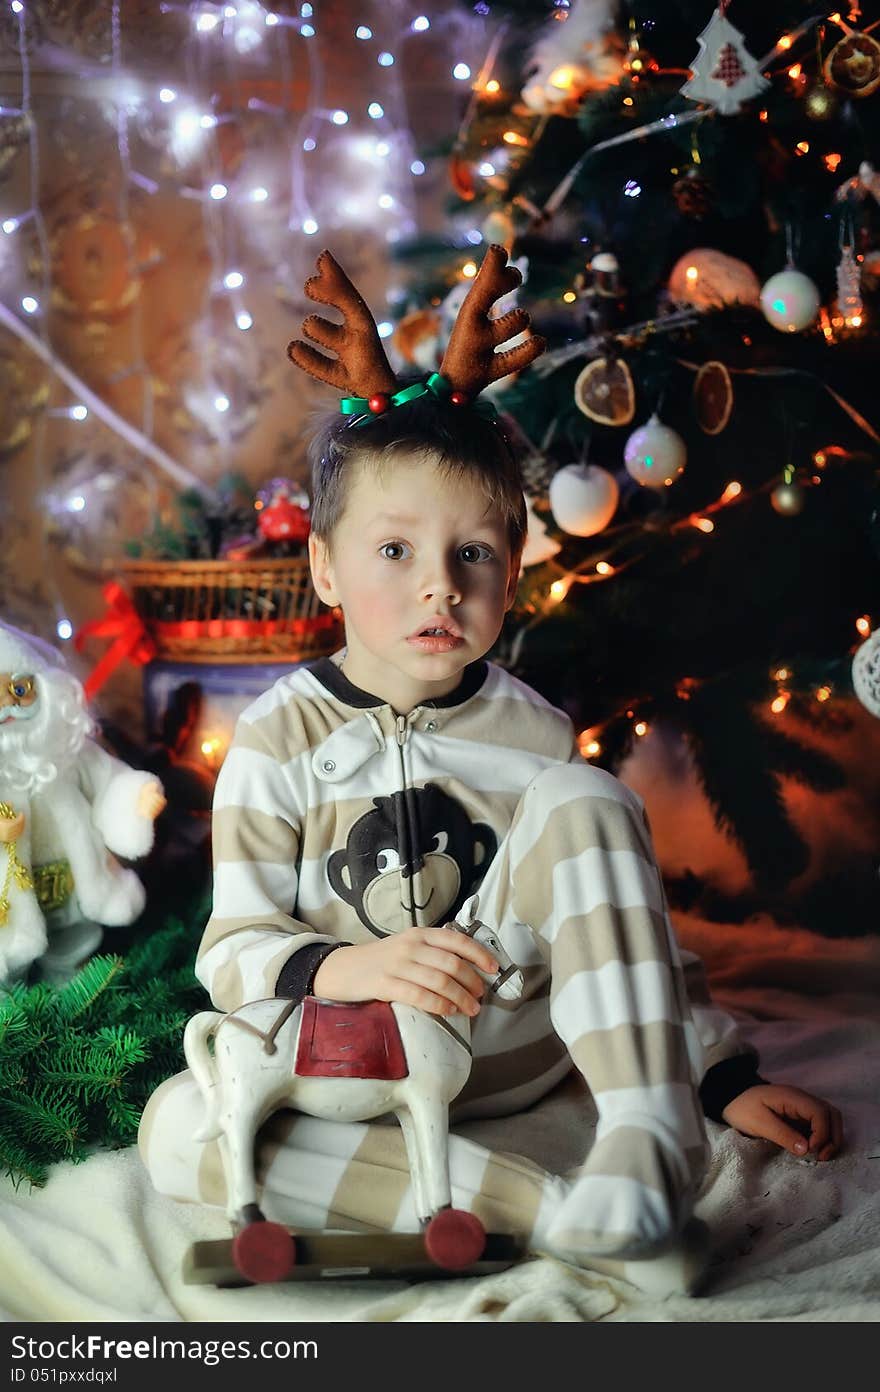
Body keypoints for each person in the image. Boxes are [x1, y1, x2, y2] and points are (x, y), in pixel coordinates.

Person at [139, 247, 843, 1295]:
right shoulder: (278, 740)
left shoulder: (533, 734)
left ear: (513, 573)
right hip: (360, 1063)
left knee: (588, 799)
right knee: (180, 1129)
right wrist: (348, 970)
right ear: (325, 567)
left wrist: (720, 1077)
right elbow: (235, 947)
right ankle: (564, 1219)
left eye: (472, 553)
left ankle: (647, 1145)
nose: (438, 586)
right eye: (394, 552)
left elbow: (627, 931)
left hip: (514, 1040)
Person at [0, 620, 166, 985]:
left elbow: (110, 782)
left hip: (72, 881)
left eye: (20, 689)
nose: (9, 706)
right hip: (9, 901)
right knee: (9, 953)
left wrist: (136, 796)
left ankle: (71, 982)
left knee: (74, 944)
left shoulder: (67, 752)